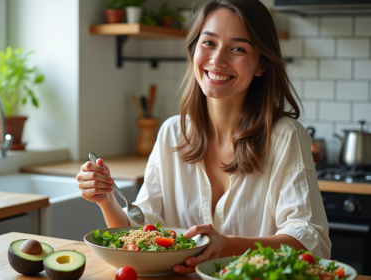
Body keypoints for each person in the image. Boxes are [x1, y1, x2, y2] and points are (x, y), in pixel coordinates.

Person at [76, 0, 331, 274]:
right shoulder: (172, 133)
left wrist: (228, 245)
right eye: (208, 43)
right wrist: (106, 200)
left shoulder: (285, 137)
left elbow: (309, 239)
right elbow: (140, 233)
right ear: (194, 49)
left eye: (238, 48)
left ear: (261, 65)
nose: (217, 60)